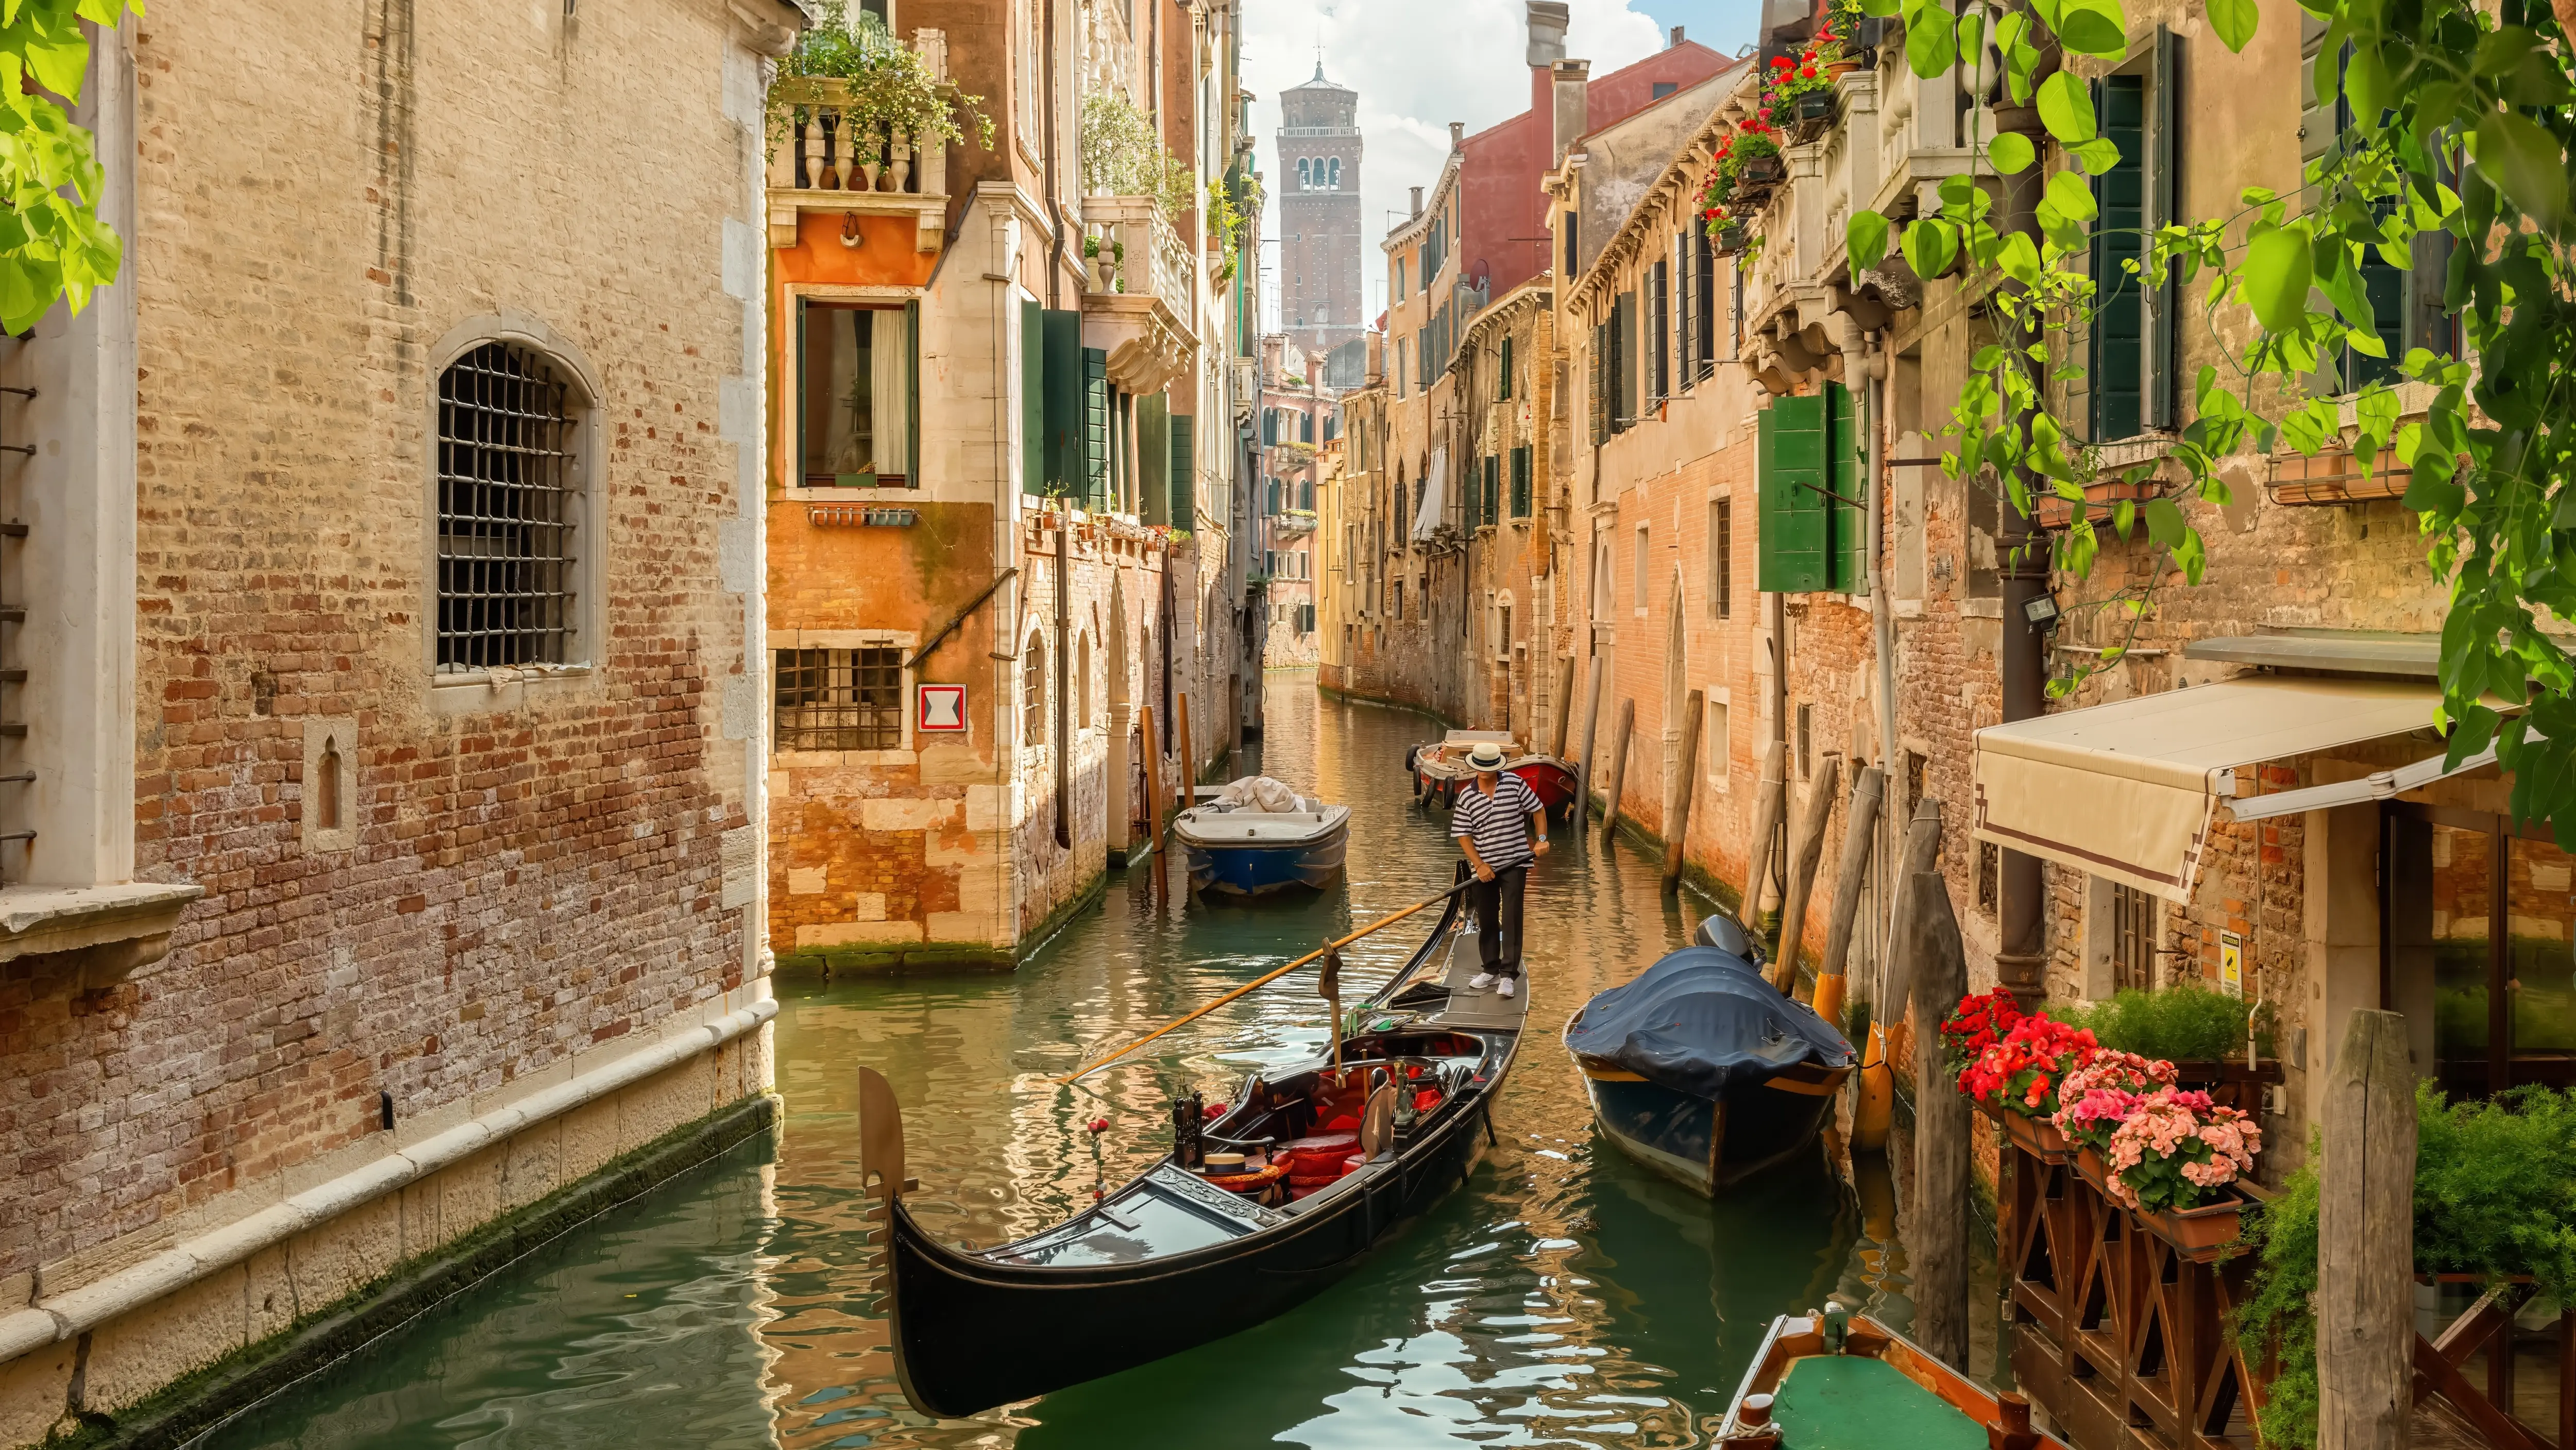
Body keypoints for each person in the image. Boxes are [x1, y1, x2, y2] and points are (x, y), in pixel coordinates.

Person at [1450, 740, 1548, 998]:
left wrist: (1540, 840)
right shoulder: (1467, 796)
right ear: (1474, 766)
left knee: (1512, 917)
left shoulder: (1515, 784)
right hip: (1484, 868)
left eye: (1489, 766)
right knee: (1487, 917)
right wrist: (1480, 865)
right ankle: (1491, 970)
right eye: (1480, 766)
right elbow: (1464, 835)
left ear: (1497, 766)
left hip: (1515, 862)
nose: (1484, 770)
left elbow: (1538, 810)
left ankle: (1508, 976)